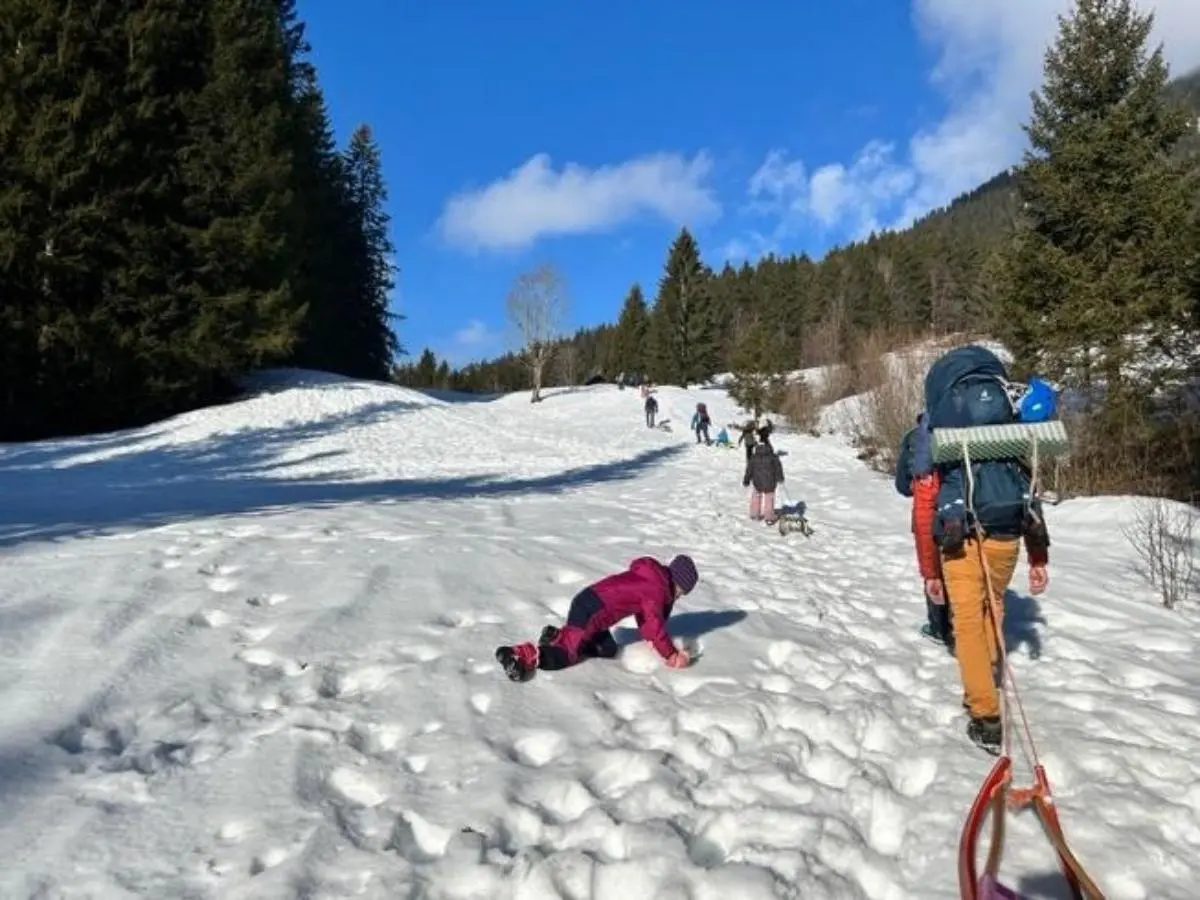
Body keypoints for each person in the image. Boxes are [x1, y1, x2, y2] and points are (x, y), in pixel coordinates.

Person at [913, 346, 1052, 752]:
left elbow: (925, 505)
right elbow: (1030, 488)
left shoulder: (940, 435)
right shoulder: (1009, 434)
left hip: (959, 531)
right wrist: (1038, 557)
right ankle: (987, 674)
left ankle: (985, 713)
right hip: (1007, 525)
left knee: (968, 619)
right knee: (995, 603)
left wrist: (930, 571)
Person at [494, 555, 699, 681]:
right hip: (590, 611)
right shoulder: (657, 591)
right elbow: (654, 625)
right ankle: (521, 656)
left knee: (608, 649)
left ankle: (556, 635)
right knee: (568, 654)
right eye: (680, 593)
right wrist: (671, 654)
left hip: (590, 605)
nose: (678, 597)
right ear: (677, 584)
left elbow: (646, 621)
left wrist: (652, 639)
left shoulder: (652, 580)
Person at [895, 413, 954, 652]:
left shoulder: (914, 438)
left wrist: (916, 486)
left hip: (926, 512)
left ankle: (939, 626)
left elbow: (902, 484)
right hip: (961, 513)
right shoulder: (960, 430)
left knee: (932, 568)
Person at [744, 439, 784, 524]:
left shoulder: (754, 457)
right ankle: (769, 517)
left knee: (756, 497)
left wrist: (746, 480)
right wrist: (780, 478)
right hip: (770, 483)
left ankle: (755, 514)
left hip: (757, 482)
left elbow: (749, 470)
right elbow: (778, 468)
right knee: (769, 499)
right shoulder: (773, 457)